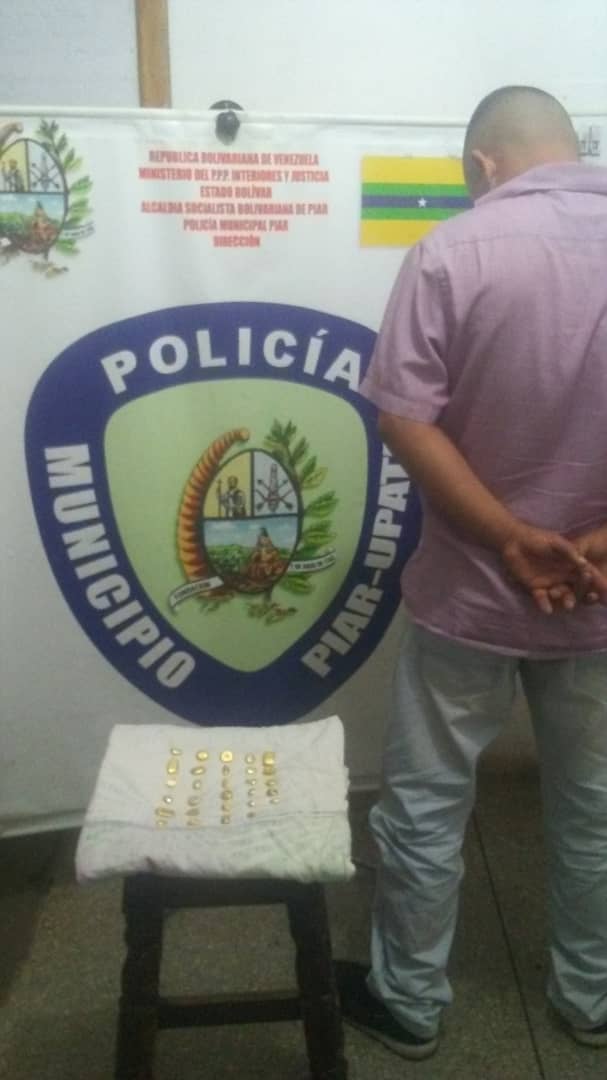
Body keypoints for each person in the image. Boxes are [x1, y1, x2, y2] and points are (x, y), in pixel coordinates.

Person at [335, 86, 607, 1061]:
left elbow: (403, 419)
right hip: (596, 600)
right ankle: (591, 1000)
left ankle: (409, 1002)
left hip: (470, 593)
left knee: (426, 802)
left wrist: (509, 539)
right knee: (595, 809)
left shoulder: (450, 252)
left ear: (484, 162)